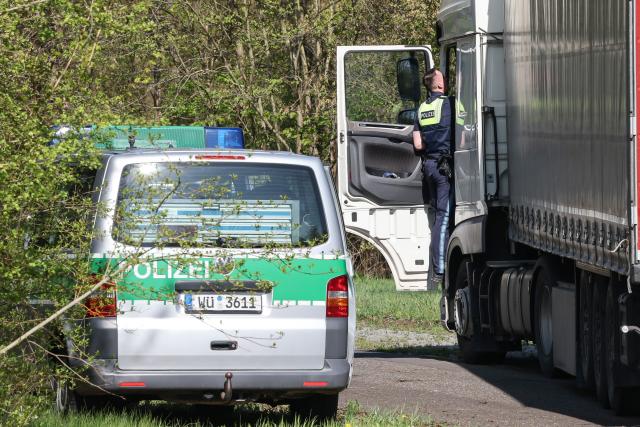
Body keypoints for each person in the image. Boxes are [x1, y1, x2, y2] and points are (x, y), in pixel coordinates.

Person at [413, 69, 454, 287]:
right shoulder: (449, 104)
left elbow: (418, 144)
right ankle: (440, 270)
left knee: (438, 218)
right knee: (444, 217)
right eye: (442, 76)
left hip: (429, 165)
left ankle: (441, 265)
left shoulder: (421, 109)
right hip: (444, 167)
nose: (444, 79)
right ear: (438, 83)